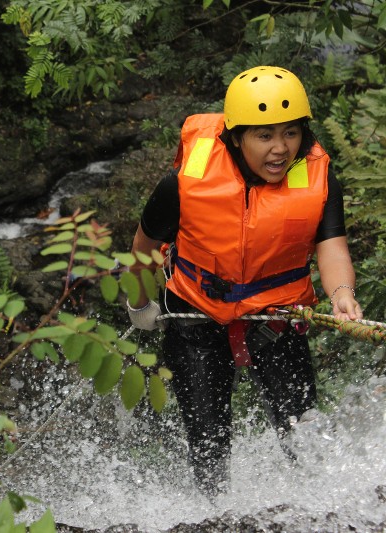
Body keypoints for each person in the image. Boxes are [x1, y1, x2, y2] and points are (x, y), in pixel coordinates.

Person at [126, 65, 363, 497]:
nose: (280, 150)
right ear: (236, 138)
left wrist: (342, 294)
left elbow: (332, 245)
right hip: (196, 311)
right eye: (265, 136)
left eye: (291, 134)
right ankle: (216, 516)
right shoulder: (182, 185)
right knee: (209, 440)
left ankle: (321, 506)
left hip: (276, 313)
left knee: (301, 430)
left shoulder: (318, 175)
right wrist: (141, 304)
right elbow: (143, 248)